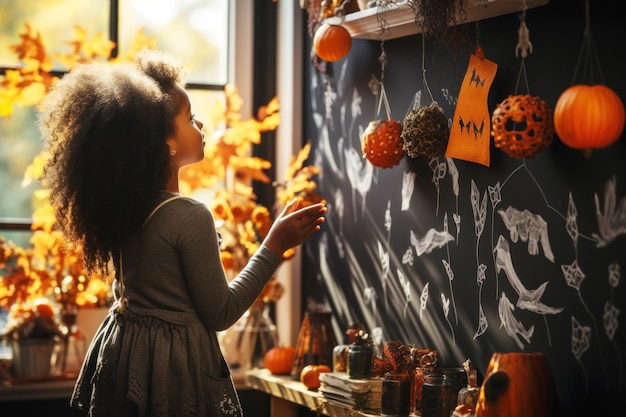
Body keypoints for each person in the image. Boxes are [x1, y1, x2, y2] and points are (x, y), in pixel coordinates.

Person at [37, 49, 327, 417]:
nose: (200, 124)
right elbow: (221, 312)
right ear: (164, 143)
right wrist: (275, 244)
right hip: (172, 371)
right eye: (190, 118)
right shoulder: (189, 217)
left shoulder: (125, 209)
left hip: (128, 359)